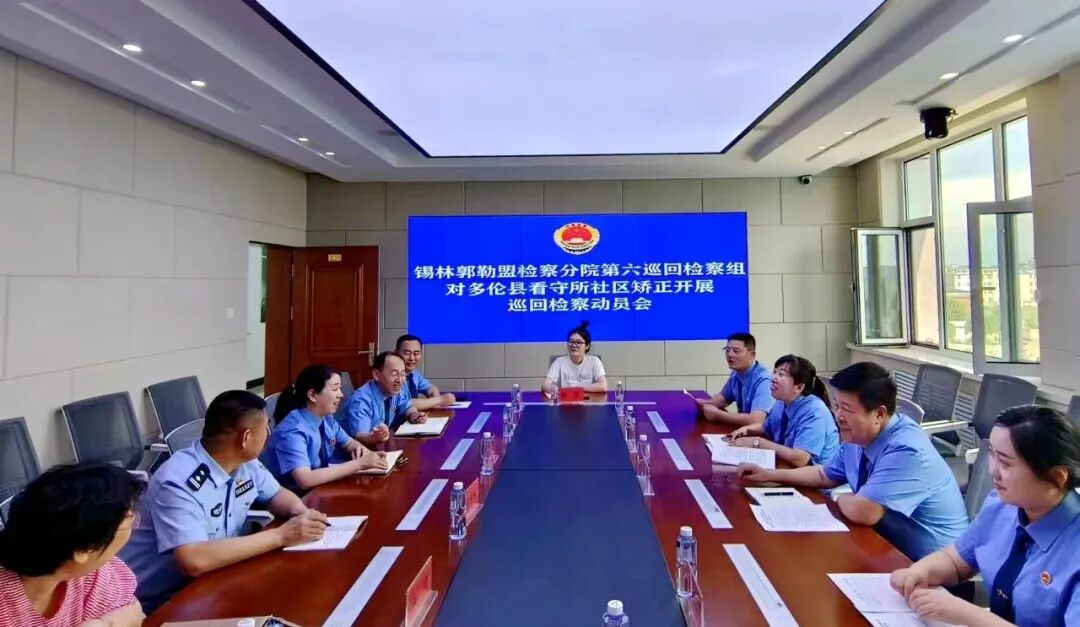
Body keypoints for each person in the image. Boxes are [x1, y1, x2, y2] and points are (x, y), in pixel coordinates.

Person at [119, 390, 335, 613]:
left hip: (213, 580)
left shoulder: (246, 463)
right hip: (153, 603)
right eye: (266, 428)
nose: (268, 434)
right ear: (246, 438)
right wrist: (281, 535)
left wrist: (300, 512)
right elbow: (194, 560)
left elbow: (275, 494)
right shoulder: (178, 481)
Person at [737, 361, 967, 560]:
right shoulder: (858, 436)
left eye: (846, 409)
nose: (838, 416)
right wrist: (768, 475)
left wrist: (841, 497)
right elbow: (824, 474)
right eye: (837, 406)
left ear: (879, 414)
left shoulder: (906, 449)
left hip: (933, 565)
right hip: (883, 543)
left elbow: (865, 511)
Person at [889, 405, 1079, 626]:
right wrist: (920, 571)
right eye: (992, 454)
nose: (992, 471)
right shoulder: (1001, 506)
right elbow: (956, 561)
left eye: (1006, 463)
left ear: (1057, 476)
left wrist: (963, 612)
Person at [0, 462, 144, 627]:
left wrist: (100, 623)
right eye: (130, 521)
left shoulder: (87, 574)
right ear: (84, 550)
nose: (133, 525)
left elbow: (134, 610)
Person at [261, 365, 388, 493]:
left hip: (319, 489)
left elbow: (349, 442)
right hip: (293, 497)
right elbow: (305, 479)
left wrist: (360, 450)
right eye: (335, 389)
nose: (341, 395)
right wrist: (360, 464)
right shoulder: (293, 431)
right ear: (312, 395)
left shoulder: (326, 418)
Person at [728, 354, 840, 467]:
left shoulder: (815, 412)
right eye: (775, 372)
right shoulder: (781, 402)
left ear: (799, 387)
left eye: (781, 374)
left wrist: (757, 442)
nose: (773, 378)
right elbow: (767, 427)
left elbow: (800, 458)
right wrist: (747, 430)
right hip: (787, 467)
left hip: (816, 474)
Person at [337, 351, 428, 448]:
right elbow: (360, 436)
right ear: (376, 375)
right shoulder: (361, 400)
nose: (400, 380)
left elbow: (407, 406)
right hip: (353, 451)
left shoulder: (394, 390)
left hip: (379, 447)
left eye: (402, 374)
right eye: (394, 374)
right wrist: (375, 437)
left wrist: (413, 415)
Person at [697, 332, 775, 426]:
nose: (730, 354)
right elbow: (724, 398)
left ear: (752, 355)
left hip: (765, 434)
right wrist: (706, 403)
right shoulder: (736, 373)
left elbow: (756, 421)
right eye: (727, 350)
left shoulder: (764, 381)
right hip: (745, 430)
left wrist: (718, 415)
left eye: (736, 351)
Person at [541, 320, 608, 396]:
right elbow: (545, 385)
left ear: (587, 346)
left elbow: (603, 386)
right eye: (571, 341)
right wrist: (556, 389)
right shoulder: (559, 362)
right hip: (565, 401)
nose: (573, 345)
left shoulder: (594, 361)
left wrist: (576, 388)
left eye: (578, 342)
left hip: (588, 401)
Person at [396, 334, 456, 411]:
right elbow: (405, 404)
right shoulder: (392, 376)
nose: (412, 358)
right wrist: (440, 400)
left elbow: (430, 387)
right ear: (396, 352)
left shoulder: (414, 374)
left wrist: (434, 393)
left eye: (416, 353)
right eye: (407, 353)